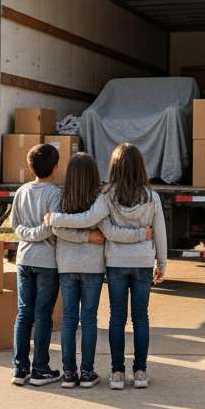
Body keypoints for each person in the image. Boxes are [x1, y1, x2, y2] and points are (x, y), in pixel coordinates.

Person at [45, 143, 166, 390]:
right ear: (141, 167)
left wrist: (56, 218)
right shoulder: (152, 197)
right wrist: (160, 262)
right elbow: (160, 234)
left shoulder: (108, 196)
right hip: (143, 262)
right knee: (141, 317)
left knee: (117, 317)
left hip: (116, 263)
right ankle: (140, 372)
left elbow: (100, 227)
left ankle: (117, 373)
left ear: (114, 167)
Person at [44, 152, 111, 389]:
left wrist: (74, 231)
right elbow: (59, 226)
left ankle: (69, 373)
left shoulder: (61, 197)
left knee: (70, 319)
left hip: (67, 265)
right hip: (92, 266)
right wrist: (88, 236)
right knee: (89, 319)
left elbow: (58, 228)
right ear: (94, 173)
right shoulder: (101, 197)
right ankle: (87, 372)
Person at [8, 142, 62, 387]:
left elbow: (14, 223)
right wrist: (36, 233)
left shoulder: (21, 191)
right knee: (42, 316)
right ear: (56, 168)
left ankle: (19, 369)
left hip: (23, 259)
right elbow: (53, 227)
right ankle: (40, 368)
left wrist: (26, 235)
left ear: (31, 168)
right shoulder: (55, 194)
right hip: (47, 261)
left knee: (24, 314)